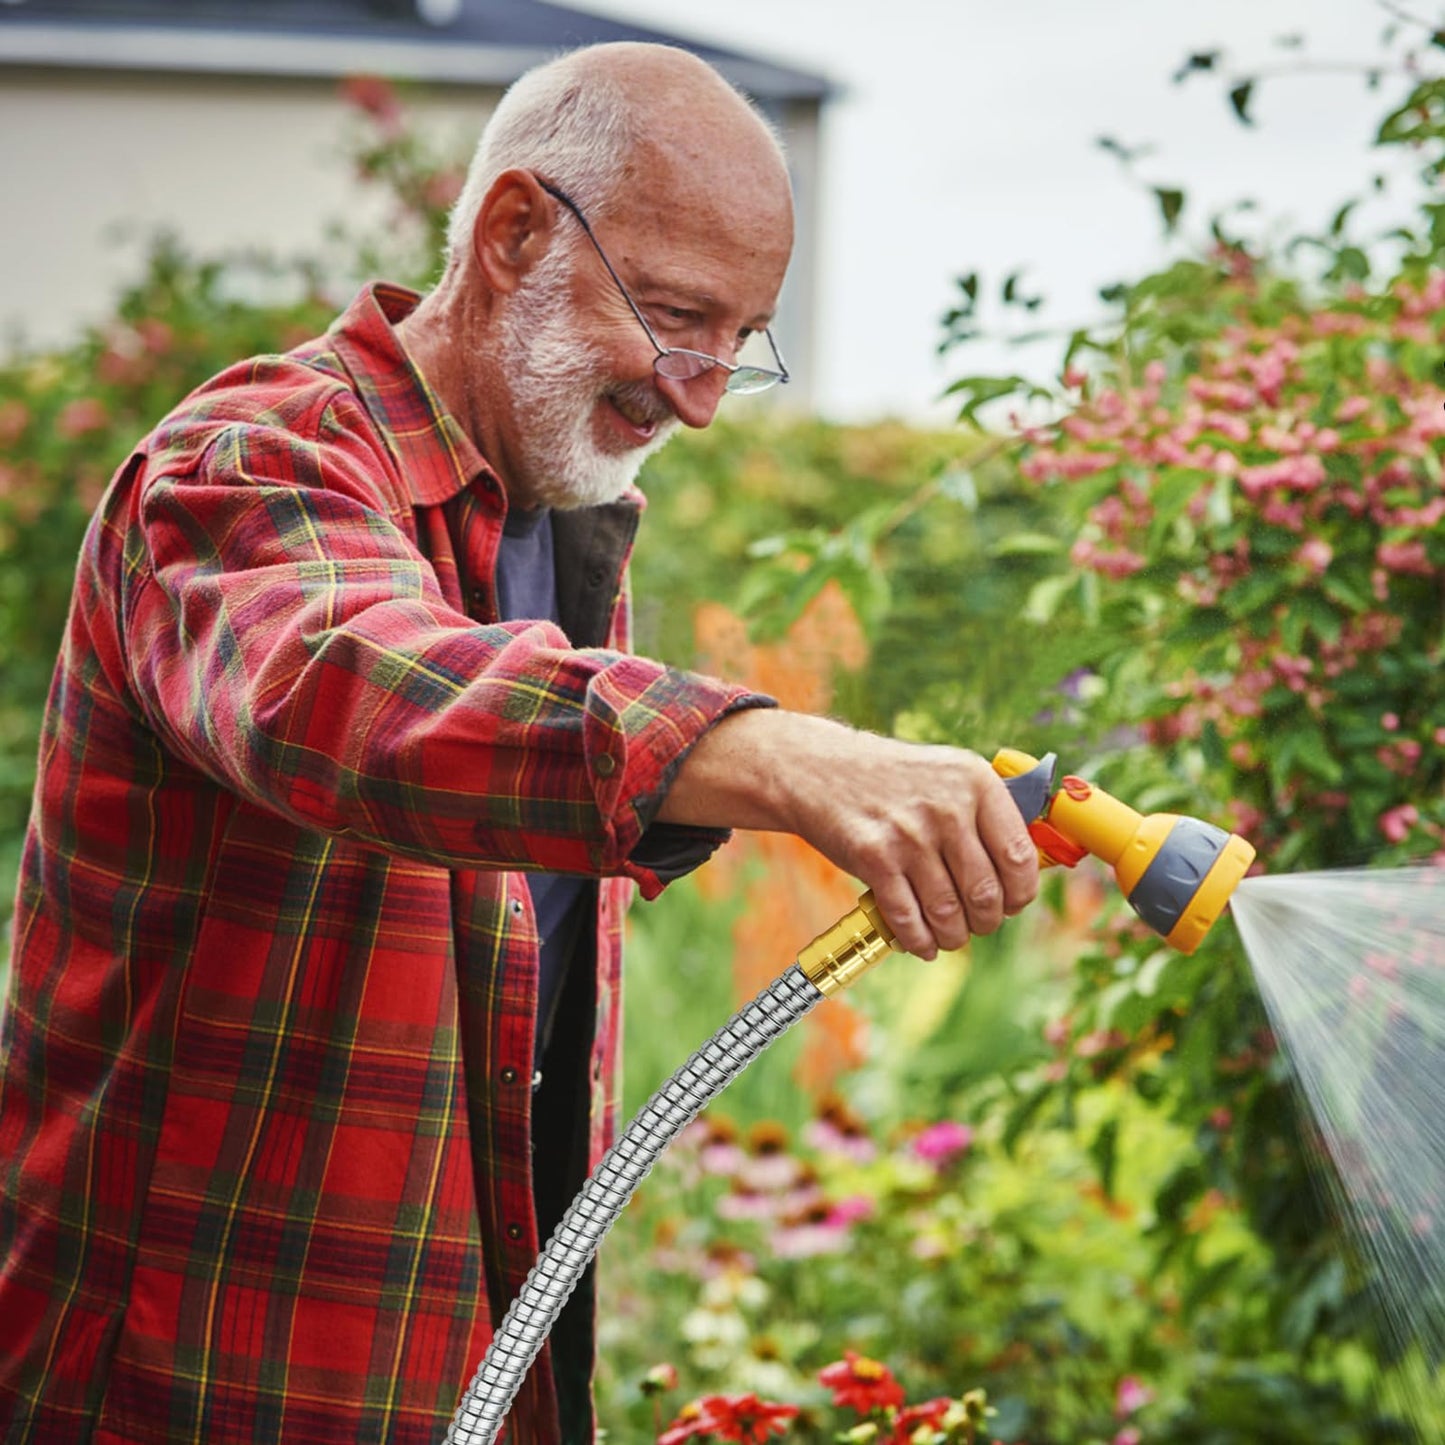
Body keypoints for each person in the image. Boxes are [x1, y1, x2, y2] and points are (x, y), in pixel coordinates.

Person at [0, 41, 1038, 1445]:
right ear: (511, 233)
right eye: (678, 317)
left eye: (739, 341)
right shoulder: (250, 461)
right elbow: (353, 694)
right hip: (185, 1388)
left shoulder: (557, 529)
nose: (701, 396)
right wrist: (788, 758)